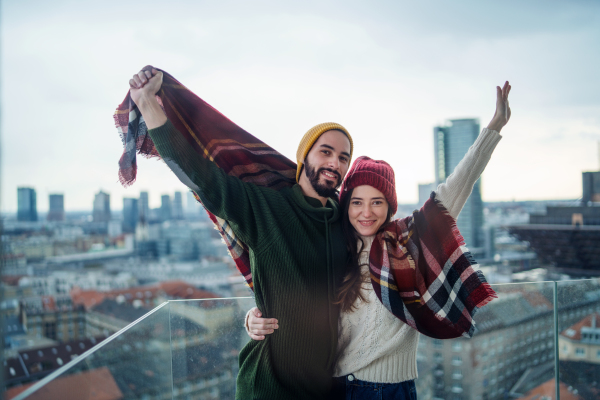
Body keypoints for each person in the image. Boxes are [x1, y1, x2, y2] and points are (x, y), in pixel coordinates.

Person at [246, 82, 512, 399]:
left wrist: (494, 127)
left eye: (377, 202)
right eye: (357, 202)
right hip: (334, 386)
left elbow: (454, 189)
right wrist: (254, 317)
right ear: (346, 205)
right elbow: (292, 289)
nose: (366, 212)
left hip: (389, 390)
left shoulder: (405, 243)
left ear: (389, 207)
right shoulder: (335, 247)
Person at [128, 67, 357, 399]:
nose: (334, 162)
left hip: (327, 388)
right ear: (303, 156)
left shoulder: (346, 221)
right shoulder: (267, 209)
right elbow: (201, 177)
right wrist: (147, 103)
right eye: (326, 151)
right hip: (268, 387)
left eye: (343, 157)